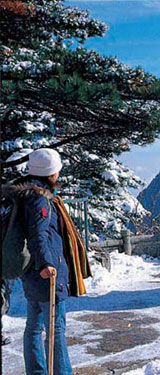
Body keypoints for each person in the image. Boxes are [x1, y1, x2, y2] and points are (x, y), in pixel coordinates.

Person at [16, 148, 72, 374]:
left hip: (29, 269)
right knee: (56, 328)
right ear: (51, 173)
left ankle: (37, 371)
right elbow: (38, 234)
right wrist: (46, 264)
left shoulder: (25, 194)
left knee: (34, 327)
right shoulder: (40, 200)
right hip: (44, 271)